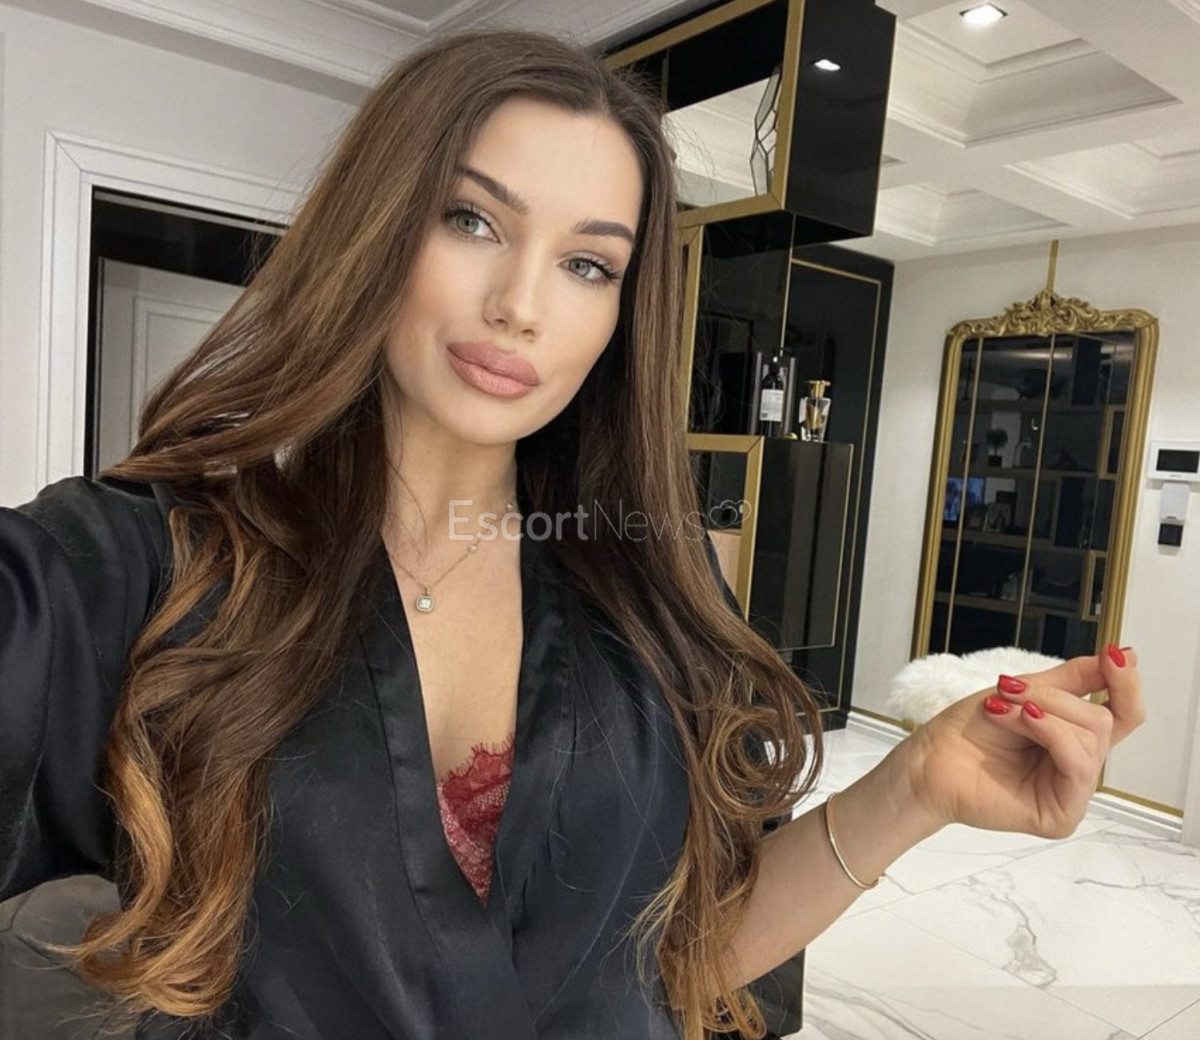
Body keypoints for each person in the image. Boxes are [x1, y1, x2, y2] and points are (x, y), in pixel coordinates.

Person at [0, 28, 1146, 1040]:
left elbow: (673, 962)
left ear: (620, 310)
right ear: (378, 227)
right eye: (470, 219)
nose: (522, 304)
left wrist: (918, 785)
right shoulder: (148, 569)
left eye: (588, 263)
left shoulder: (650, 582)